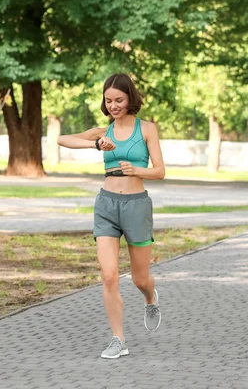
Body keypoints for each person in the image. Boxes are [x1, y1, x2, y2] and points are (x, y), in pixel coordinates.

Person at [57, 73, 166, 359]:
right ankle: (118, 339)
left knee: (140, 279)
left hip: (137, 205)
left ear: (130, 98)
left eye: (119, 100)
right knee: (108, 276)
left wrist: (136, 170)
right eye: (108, 101)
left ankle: (151, 298)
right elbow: (62, 139)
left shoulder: (147, 129)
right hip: (106, 205)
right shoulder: (103, 130)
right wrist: (96, 144)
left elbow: (160, 171)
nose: (114, 105)